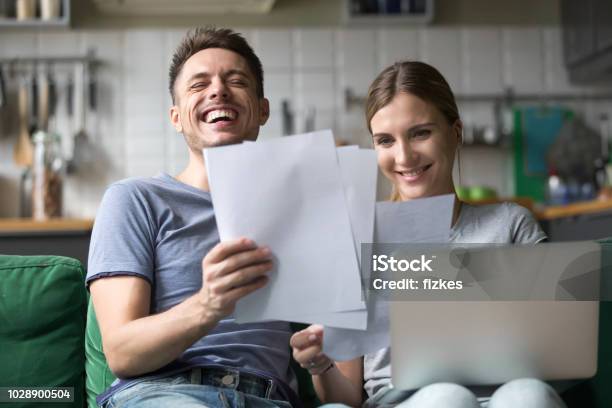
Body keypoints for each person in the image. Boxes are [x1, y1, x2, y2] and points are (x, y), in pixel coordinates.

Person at [290, 61, 567, 408]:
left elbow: (558, 346)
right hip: (405, 401)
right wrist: (320, 363)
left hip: (505, 393)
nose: (404, 156)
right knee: (446, 398)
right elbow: (347, 395)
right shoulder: (358, 243)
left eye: (420, 133)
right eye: (386, 141)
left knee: (531, 396)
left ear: (456, 132)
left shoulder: (511, 225)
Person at [87, 26, 298, 408]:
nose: (218, 90)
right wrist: (209, 304)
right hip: (167, 393)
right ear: (176, 117)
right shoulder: (134, 200)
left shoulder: (298, 208)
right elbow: (121, 352)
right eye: (199, 85)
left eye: (236, 81)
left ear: (262, 110)